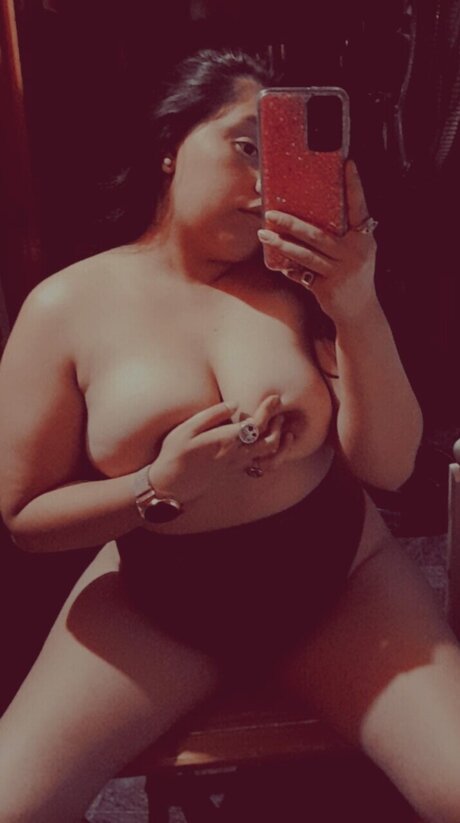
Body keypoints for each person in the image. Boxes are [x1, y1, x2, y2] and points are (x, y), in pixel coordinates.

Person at [0, 47, 459, 823]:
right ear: (171, 145)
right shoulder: (65, 307)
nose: (266, 181)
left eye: (281, 159)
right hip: (160, 605)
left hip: (341, 584)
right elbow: (23, 518)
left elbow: (388, 465)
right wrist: (157, 486)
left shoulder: (301, 284)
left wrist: (356, 303)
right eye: (247, 145)